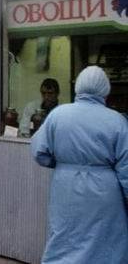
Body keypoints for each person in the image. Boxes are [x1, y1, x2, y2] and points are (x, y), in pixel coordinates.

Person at [31, 66, 128, 263]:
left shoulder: (58, 115)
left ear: (78, 87)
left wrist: (64, 164)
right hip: (104, 189)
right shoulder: (117, 120)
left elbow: (39, 152)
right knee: (106, 242)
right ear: (105, 90)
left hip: (65, 186)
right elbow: (126, 167)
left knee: (64, 238)